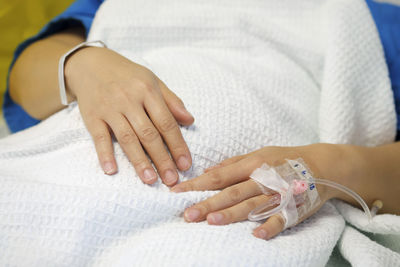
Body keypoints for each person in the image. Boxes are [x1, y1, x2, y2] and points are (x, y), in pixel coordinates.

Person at [2, 0, 400, 244]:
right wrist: (81, 63)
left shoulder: (366, 21)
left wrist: (332, 170)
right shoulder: (119, 4)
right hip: (57, 167)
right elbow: (24, 80)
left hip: (242, 219)